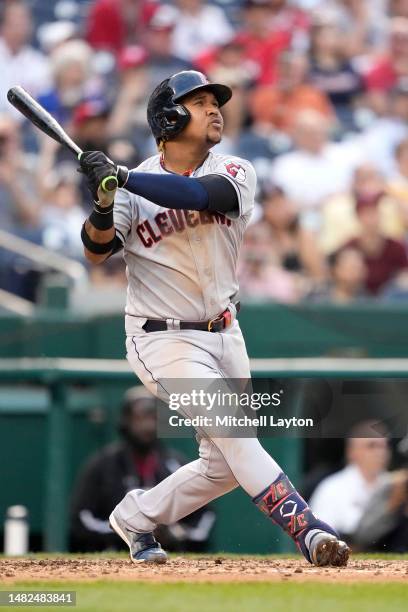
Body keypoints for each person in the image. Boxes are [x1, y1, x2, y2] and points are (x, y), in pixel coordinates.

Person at [77, 69, 349, 566]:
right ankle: (307, 529)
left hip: (226, 331)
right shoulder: (130, 187)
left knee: (224, 464)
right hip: (162, 337)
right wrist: (103, 200)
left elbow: (203, 197)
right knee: (235, 432)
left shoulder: (235, 170)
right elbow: (97, 251)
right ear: (169, 116)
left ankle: (137, 516)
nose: (214, 109)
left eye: (214, 102)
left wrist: (124, 178)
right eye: (200, 102)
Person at [70, 386, 215, 552]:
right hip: (115, 553)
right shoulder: (103, 465)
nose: (147, 426)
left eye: (152, 418)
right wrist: (124, 530)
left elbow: (205, 516)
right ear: (126, 420)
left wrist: (176, 534)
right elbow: (81, 519)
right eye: (139, 418)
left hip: (170, 555)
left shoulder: (176, 463)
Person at [309, 422, 395, 549]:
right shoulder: (332, 488)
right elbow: (316, 537)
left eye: (384, 446)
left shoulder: (395, 485)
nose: (380, 452)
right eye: (371, 446)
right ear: (351, 451)